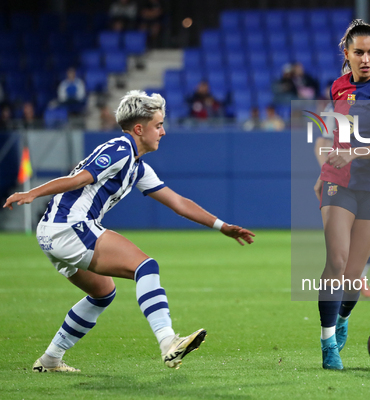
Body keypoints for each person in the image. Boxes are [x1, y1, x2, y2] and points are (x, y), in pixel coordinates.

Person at [3, 90, 255, 372]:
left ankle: (50, 360)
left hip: (53, 232)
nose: (163, 132)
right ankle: (167, 341)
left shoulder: (137, 166)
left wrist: (222, 227)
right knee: (145, 266)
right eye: (158, 125)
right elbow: (79, 180)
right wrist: (31, 193)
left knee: (103, 293)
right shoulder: (120, 149)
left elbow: (178, 203)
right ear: (139, 129)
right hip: (69, 226)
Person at [313, 19, 370, 369]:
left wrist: (354, 151)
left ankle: (341, 318)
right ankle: (327, 344)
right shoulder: (337, 87)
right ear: (346, 54)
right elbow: (334, 134)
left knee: (352, 274)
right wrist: (326, 168)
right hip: (340, 181)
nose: (365, 59)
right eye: (358, 53)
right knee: (336, 261)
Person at [314, 101, 370, 299]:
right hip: (342, 180)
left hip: (367, 178)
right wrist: (327, 173)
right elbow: (322, 143)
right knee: (339, 248)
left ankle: (358, 276)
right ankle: (335, 308)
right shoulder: (335, 107)